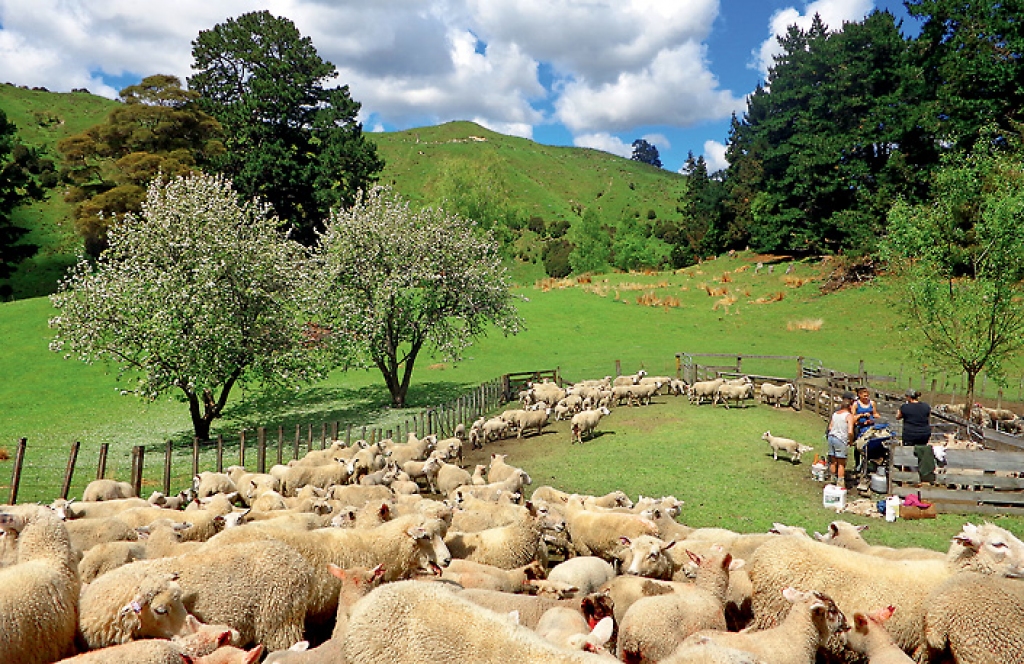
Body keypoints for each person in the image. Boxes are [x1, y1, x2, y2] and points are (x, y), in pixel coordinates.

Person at [897, 388, 935, 485]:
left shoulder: (905, 407)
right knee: (921, 452)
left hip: (910, 434)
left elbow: (898, 416)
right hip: (924, 434)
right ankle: (923, 474)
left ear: (909, 397)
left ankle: (912, 477)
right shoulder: (926, 406)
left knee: (909, 453)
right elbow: (927, 416)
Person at [827, 392, 855, 487]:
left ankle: (832, 480)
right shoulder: (849, 416)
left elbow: (830, 427)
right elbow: (850, 431)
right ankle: (840, 483)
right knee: (841, 463)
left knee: (833, 461)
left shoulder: (835, 414)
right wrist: (850, 441)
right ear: (849, 407)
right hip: (840, 439)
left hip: (831, 438)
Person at [851, 386, 881, 472]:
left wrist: (877, 418)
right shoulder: (856, 404)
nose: (866, 397)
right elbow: (853, 417)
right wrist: (862, 416)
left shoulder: (872, 403)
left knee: (870, 445)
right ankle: (857, 464)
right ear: (859, 395)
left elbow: (875, 413)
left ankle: (868, 464)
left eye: (867, 395)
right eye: (864, 396)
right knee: (858, 446)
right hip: (859, 427)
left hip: (870, 427)